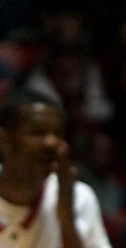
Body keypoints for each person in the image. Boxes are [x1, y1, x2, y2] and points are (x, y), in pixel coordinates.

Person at [0, 85, 112, 248]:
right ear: (4, 139)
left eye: (58, 133)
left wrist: (67, 224)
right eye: (37, 132)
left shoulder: (79, 198)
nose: (52, 142)